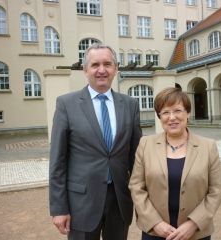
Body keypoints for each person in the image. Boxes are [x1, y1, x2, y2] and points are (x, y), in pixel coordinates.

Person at [49, 43, 142, 240]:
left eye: (107, 64)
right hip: (81, 203)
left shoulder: (131, 105)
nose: (102, 70)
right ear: (85, 70)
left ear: (116, 69)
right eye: (95, 65)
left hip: (119, 200)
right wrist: (59, 208)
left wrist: (142, 201)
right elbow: (58, 161)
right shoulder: (66, 104)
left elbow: (137, 160)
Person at [129, 87, 221, 240]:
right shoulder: (146, 144)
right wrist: (156, 223)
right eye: (165, 112)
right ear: (160, 117)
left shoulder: (208, 146)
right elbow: (136, 187)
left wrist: (193, 223)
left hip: (195, 233)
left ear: (187, 113)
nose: (172, 117)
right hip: (155, 232)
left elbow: (216, 191)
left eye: (178, 111)